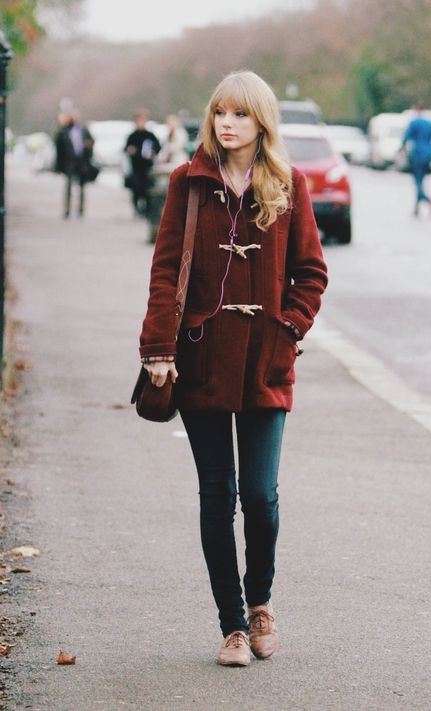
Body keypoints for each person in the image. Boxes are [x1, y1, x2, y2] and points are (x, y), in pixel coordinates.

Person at [139, 70, 328, 666]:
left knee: (261, 495)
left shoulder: (289, 185)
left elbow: (312, 274)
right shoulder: (187, 184)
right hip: (199, 359)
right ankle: (232, 626)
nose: (228, 123)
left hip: (267, 365)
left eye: (241, 114)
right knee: (217, 496)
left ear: (261, 122)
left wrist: (288, 329)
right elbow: (166, 270)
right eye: (221, 112)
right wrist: (158, 349)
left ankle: (261, 602)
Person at [146, 114, 190, 242]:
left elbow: (177, 147)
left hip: (176, 162)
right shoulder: (167, 134)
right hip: (168, 164)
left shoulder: (180, 133)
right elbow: (164, 149)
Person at [401, 101, 431, 216]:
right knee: (421, 181)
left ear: (416, 110)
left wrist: (401, 148)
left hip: (417, 154)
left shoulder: (414, 123)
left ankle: (427, 199)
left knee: (417, 182)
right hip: (428, 155)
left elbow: (406, 137)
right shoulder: (430, 123)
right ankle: (416, 209)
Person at [54, 108, 95, 218]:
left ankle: (81, 210)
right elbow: (59, 149)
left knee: (82, 187)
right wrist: (58, 165)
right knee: (68, 186)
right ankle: (67, 210)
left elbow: (92, 142)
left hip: (82, 162)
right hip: (69, 162)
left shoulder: (83, 130)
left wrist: (88, 146)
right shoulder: (64, 131)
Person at [124, 109, 161, 216]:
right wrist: (130, 150)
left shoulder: (150, 135)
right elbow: (126, 148)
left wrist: (153, 153)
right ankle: (137, 208)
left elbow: (157, 147)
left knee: (148, 189)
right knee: (136, 188)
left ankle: (147, 209)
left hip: (147, 167)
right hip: (136, 167)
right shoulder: (132, 136)